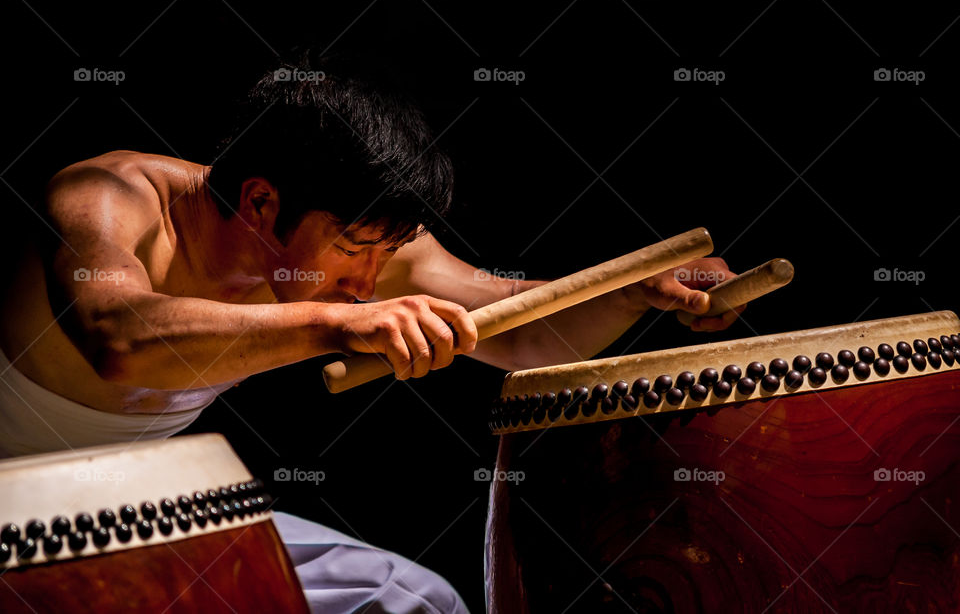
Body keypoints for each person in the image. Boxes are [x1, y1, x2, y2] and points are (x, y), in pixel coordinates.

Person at [0, 50, 741, 613]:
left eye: (383, 258)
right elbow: (116, 333)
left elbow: (516, 330)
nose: (368, 279)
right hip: (12, 514)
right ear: (259, 201)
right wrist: (337, 322)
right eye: (354, 250)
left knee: (406, 600)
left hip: (138, 508)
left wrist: (638, 289)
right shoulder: (112, 195)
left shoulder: (363, 245)